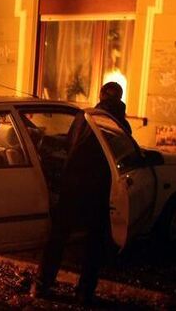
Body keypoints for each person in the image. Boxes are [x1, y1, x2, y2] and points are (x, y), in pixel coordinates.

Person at [31, 107, 113, 305]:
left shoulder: (84, 116)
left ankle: (41, 285)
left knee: (58, 237)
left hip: (73, 184)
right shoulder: (117, 122)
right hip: (99, 190)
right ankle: (84, 292)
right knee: (94, 243)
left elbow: (69, 143)